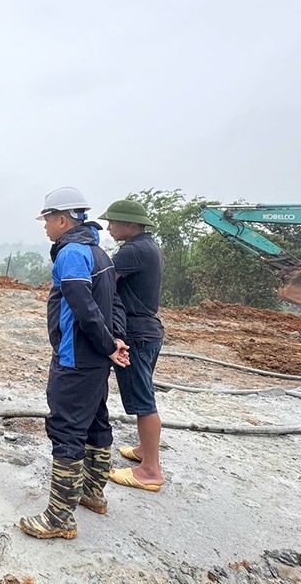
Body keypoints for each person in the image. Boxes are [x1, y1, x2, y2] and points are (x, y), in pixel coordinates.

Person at [19, 187, 129, 540]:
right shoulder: (99, 252)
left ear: (63, 220)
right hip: (95, 358)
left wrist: (108, 343)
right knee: (95, 420)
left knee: (66, 428)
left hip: (75, 358)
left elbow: (83, 306)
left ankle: (59, 518)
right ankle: (93, 493)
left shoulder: (70, 254)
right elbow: (114, 303)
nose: (45, 226)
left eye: (48, 220)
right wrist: (114, 340)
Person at [99, 199, 166, 491]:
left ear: (129, 223)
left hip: (136, 333)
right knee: (144, 393)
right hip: (147, 331)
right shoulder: (148, 246)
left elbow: (104, 282)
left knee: (143, 400)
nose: (109, 228)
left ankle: (150, 470)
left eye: (112, 222)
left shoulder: (133, 251)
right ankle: (144, 451)